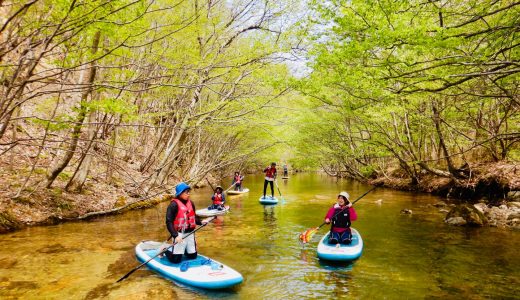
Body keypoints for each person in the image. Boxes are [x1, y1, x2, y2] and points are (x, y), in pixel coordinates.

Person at [164, 182, 208, 264]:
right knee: (176, 260)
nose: (189, 194)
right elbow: (169, 222)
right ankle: (165, 250)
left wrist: (201, 222)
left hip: (190, 233)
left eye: (189, 192)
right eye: (186, 192)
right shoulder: (173, 205)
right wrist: (175, 235)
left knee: (192, 256)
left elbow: (193, 217)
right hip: (179, 234)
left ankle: (184, 250)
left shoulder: (191, 203)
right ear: (180, 193)